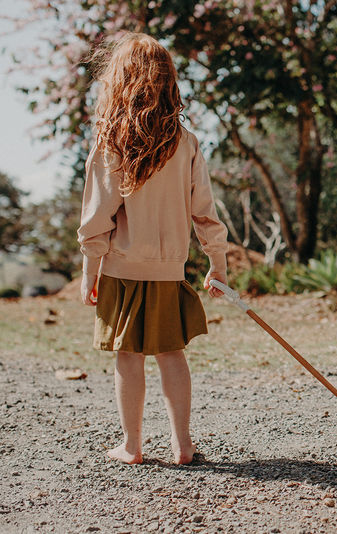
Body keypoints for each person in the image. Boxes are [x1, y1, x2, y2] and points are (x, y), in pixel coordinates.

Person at [77, 33, 228, 465]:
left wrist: (91, 271)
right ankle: (183, 445)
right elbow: (205, 212)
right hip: (169, 270)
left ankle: (133, 446)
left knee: (128, 356)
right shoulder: (186, 143)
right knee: (172, 354)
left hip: (122, 270)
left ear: (119, 82)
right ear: (168, 82)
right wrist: (216, 262)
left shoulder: (111, 145)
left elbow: (96, 219)